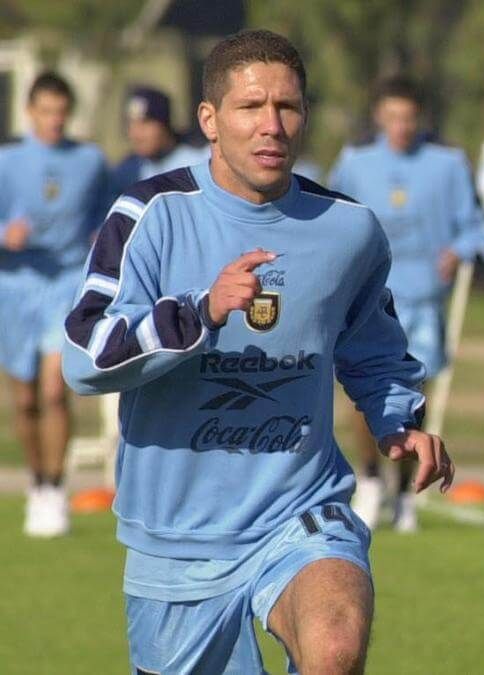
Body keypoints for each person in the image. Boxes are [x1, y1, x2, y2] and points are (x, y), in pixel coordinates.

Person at [62, 30, 453, 673]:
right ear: (209, 120)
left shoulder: (348, 229)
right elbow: (85, 354)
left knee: (334, 648)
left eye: (287, 106)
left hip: (301, 511)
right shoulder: (150, 213)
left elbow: (375, 352)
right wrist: (201, 312)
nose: (272, 125)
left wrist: (398, 422)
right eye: (250, 107)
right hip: (178, 538)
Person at [329, 75, 484, 532]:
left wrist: (458, 250)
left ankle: (404, 490)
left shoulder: (448, 164)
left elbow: (475, 226)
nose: (401, 126)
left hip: (422, 299)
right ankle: (370, 479)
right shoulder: (355, 163)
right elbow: (330, 215)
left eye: (409, 118)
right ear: (380, 117)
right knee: (363, 393)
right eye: (393, 117)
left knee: (415, 399)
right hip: (368, 299)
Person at [0, 72, 108, 538]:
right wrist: (5, 235)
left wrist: (101, 236)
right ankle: (37, 481)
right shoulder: (7, 161)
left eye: (61, 112)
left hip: (66, 283)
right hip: (16, 285)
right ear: (30, 112)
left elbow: (108, 214)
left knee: (52, 390)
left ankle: (55, 488)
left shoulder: (90, 161)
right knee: (25, 400)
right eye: (46, 111)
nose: (54, 120)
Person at [109, 85, 209, 197]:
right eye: (130, 124)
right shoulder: (129, 170)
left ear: (164, 125)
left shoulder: (200, 161)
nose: (135, 134)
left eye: (145, 123)